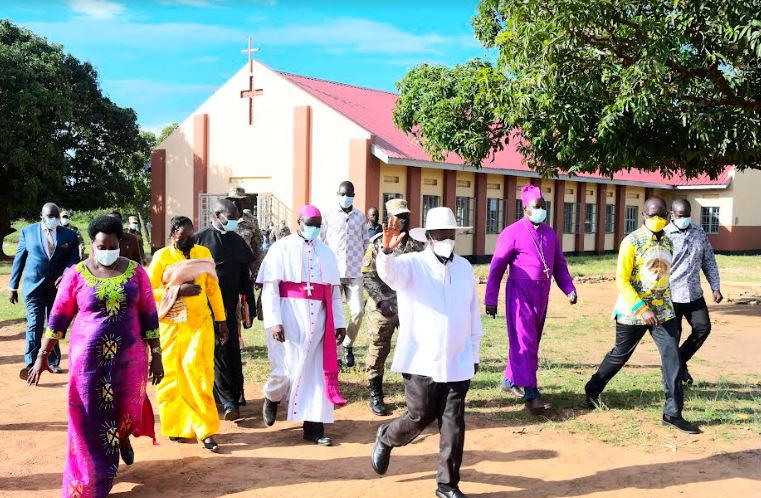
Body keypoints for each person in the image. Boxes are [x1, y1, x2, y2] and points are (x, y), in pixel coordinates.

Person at [27, 214, 163, 498]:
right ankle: (94, 478)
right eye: (101, 246)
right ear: (93, 244)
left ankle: (123, 437)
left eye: (112, 245)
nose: (106, 251)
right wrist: (43, 354)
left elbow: (149, 314)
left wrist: (157, 354)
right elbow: (58, 317)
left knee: (126, 412)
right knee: (89, 419)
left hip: (130, 361)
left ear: (120, 243)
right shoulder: (76, 273)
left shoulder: (136, 272)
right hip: (88, 363)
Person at [370, 207, 482, 498]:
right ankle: (387, 437)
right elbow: (388, 274)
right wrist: (385, 251)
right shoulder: (412, 265)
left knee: (453, 426)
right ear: (429, 238)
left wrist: (474, 353)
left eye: (449, 234)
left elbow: (472, 312)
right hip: (422, 360)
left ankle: (447, 485)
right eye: (440, 235)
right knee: (419, 416)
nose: (445, 239)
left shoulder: (464, 268)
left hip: (457, 360)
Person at [585, 197, 700, 434]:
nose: (656, 220)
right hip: (633, 311)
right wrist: (642, 308)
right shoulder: (631, 242)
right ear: (643, 216)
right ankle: (593, 388)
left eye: (660, 215)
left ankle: (673, 413)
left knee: (673, 359)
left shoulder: (668, 242)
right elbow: (622, 279)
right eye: (651, 215)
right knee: (620, 355)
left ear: (667, 215)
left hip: (663, 312)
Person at [257, 204, 347, 446]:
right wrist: (274, 321)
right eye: (309, 225)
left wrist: (339, 323)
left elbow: (334, 293)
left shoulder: (326, 253)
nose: (313, 230)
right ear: (299, 222)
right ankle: (272, 397)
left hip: (318, 321)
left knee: (315, 372)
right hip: (288, 315)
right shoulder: (280, 248)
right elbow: (270, 288)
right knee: (285, 370)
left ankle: (313, 428)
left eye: (317, 226)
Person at [484, 184, 577, 414]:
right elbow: (497, 267)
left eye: (543, 206)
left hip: (542, 294)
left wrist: (569, 289)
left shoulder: (550, 233)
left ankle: (509, 380)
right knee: (525, 341)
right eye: (537, 206)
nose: (541, 210)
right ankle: (532, 395)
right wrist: (490, 298)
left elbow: (559, 265)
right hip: (520, 294)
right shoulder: (512, 232)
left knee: (530, 341)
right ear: (526, 209)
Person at [148, 216, 228, 452]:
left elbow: (213, 289)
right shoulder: (161, 257)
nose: (187, 242)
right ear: (173, 235)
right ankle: (177, 427)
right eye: (182, 238)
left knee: (200, 374)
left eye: (190, 237)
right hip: (172, 326)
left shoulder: (203, 252)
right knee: (171, 377)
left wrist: (221, 320)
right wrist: (177, 290)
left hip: (199, 324)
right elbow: (149, 290)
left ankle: (205, 430)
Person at [195, 199, 256, 420]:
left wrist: (249, 307)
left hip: (230, 307)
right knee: (216, 352)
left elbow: (245, 278)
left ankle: (235, 395)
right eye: (230, 218)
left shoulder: (238, 240)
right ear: (216, 215)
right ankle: (227, 400)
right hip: (204, 309)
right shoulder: (199, 241)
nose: (234, 223)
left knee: (231, 351)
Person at [362, 198, 424, 415]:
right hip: (383, 307)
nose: (404, 219)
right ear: (389, 218)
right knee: (378, 349)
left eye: (407, 215)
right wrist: (381, 301)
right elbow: (367, 276)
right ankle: (375, 393)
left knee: (414, 349)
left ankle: (415, 397)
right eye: (400, 216)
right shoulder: (378, 243)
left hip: (410, 306)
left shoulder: (418, 244)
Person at [9, 202, 79, 378]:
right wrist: (13, 286)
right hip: (33, 287)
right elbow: (19, 259)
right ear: (42, 216)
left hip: (57, 288)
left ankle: (53, 362)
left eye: (56, 216)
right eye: (50, 217)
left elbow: (74, 259)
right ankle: (30, 364)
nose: (54, 220)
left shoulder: (69, 235)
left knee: (54, 323)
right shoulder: (28, 231)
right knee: (34, 323)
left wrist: (66, 274)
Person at [665, 198, 722, 384]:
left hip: (694, 293)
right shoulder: (664, 236)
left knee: (703, 328)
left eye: (687, 215)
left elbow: (709, 261)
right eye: (681, 216)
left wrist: (715, 287)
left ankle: (680, 362)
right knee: (674, 337)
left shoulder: (699, 232)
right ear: (672, 215)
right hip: (671, 295)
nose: (684, 219)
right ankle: (673, 376)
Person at [320, 180, 370, 368]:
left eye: (349, 195)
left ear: (353, 196)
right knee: (333, 315)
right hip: (334, 272)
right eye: (342, 194)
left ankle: (348, 344)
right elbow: (321, 241)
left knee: (358, 311)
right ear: (337, 194)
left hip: (355, 271)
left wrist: (366, 263)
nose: (346, 198)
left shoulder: (360, 217)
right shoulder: (329, 215)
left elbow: (366, 242)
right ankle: (337, 354)